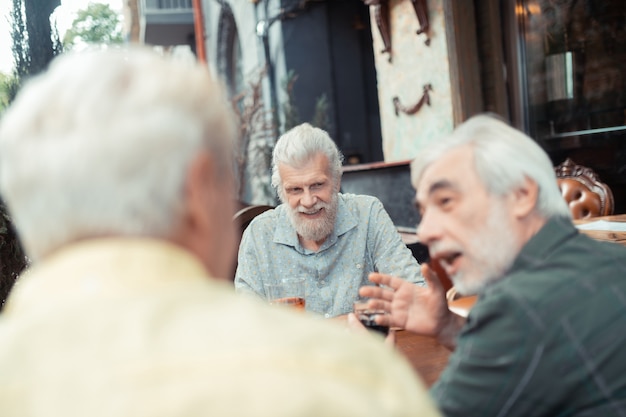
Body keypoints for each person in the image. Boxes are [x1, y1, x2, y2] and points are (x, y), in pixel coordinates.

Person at [0, 47, 441, 417]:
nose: (308, 199)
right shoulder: (353, 382)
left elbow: (413, 289)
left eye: (318, 185)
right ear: (198, 190)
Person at [358, 114, 626, 416]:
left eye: (445, 201)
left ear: (521, 195)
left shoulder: (518, 307)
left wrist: (372, 367)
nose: (425, 231)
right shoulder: (613, 260)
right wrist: (449, 327)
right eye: (423, 210)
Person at [234, 122, 424, 318]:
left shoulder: (368, 214)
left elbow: (414, 295)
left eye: (317, 185)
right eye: (295, 189)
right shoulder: (259, 233)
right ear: (281, 191)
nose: (308, 201)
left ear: (336, 180)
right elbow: (247, 326)